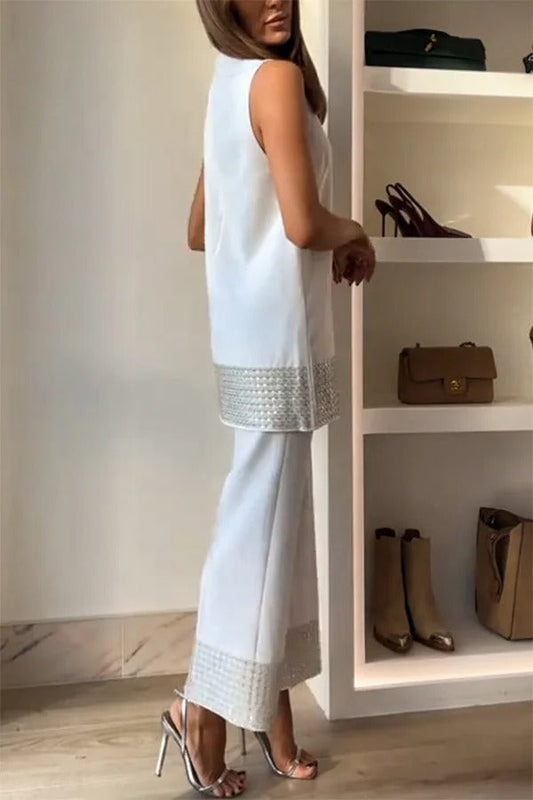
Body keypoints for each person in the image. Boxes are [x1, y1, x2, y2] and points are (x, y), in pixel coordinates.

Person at [155, 0, 376, 796]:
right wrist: (356, 232)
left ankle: (268, 719)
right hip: (281, 342)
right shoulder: (275, 81)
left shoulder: (229, 81)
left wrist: (313, 232)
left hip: (249, 341)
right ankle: (197, 709)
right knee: (256, 537)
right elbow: (302, 224)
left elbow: (199, 228)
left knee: (275, 535)